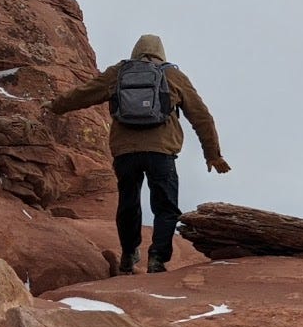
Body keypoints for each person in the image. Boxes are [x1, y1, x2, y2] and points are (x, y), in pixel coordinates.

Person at [47, 34, 229, 274]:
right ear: (161, 53)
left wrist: (55, 106)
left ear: (135, 52)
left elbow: (84, 93)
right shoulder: (172, 75)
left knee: (128, 203)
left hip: (125, 153)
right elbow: (201, 117)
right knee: (165, 206)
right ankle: (157, 259)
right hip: (161, 152)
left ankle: (129, 254)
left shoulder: (119, 72)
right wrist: (212, 154)